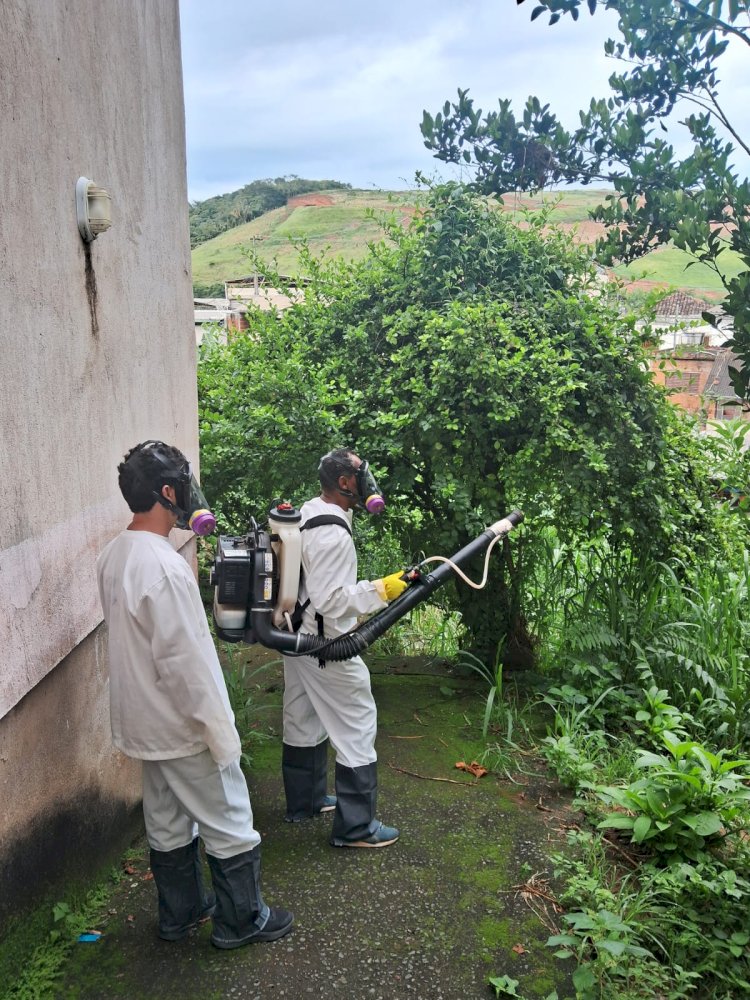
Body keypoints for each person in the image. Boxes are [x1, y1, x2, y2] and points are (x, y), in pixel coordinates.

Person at [96, 440, 293, 948]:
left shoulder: (113, 555)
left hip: (142, 722)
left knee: (166, 821)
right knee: (229, 819)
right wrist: (221, 735)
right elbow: (190, 667)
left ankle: (180, 913)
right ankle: (242, 920)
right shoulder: (165, 568)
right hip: (183, 726)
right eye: (183, 485)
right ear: (168, 492)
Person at [281, 448, 407, 847]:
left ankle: (307, 801)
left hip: (294, 634)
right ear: (346, 483)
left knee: (302, 716)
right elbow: (332, 599)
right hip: (325, 643)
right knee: (357, 720)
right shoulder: (333, 534)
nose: (368, 479)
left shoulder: (308, 510)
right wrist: (380, 589)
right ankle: (357, 828)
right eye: (361, 474)